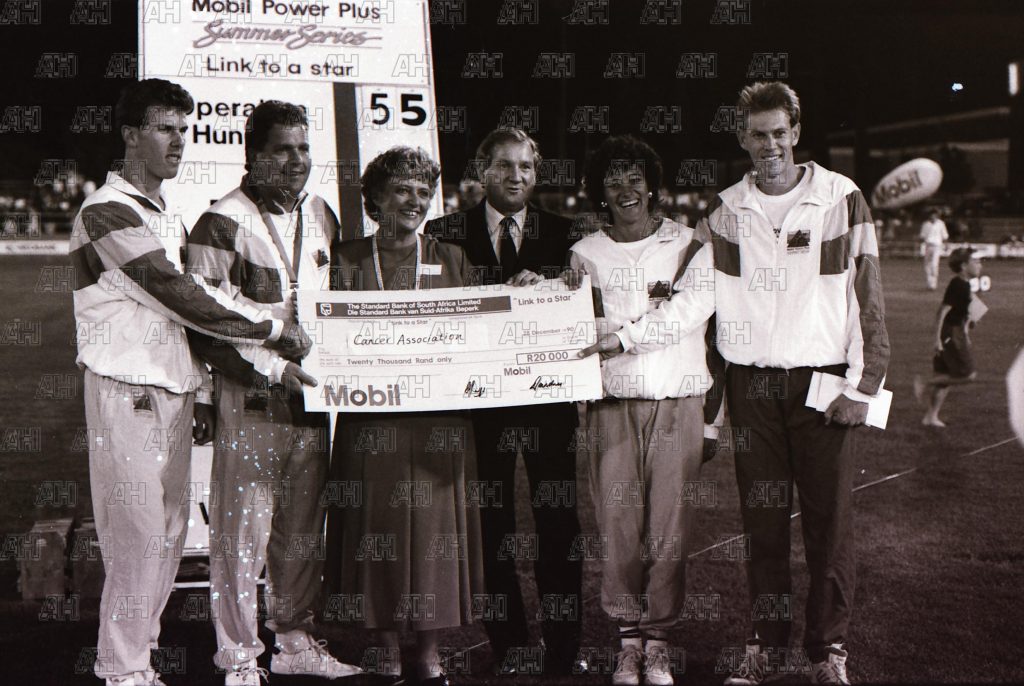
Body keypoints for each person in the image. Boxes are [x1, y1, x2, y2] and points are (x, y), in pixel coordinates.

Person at [580, 82, 890, 686]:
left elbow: (867, 295)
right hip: (753, 390)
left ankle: (828, 651)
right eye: (757, 134)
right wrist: (641, 348)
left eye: (779, 133)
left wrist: (863, 386)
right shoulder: (724, 211)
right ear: (742, 139)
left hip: (823, 384)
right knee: (763, 528)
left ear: (796, 133)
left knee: (829, 526)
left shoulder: (841, 197)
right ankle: (765, 646)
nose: (770, 145)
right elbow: (695, 307)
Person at [69, 79, 309, 686]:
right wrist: (271, 329)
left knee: (167, 540)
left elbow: (185, 316)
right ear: (130, 135)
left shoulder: (163, 211)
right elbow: (180, 295)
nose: (179, 141)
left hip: (170, 393)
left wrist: (207, 387)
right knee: (137, 539)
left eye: (184, 129)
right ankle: (123, 670)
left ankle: (138, 663)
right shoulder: (105, 210)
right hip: (125, 392)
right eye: (164, 129)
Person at [185, 101, 361, 685]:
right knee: (241, 534)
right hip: (253, 396)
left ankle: (293, 641)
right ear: (254, 155)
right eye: (283, 149)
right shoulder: (220, 221)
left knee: (302, 530)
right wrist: (267, 370)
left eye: (303, 148)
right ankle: (238, 656)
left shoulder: (322, 213)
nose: (296, 160)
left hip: (310, 399)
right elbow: (201, 322)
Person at [425, 128, 584, 677]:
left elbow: (583, 304)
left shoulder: (566, 234)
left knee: (558, 524)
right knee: (490, 527)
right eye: (505, 165)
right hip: (476, 405)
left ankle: (563, 647)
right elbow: (435, 309)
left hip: (548, 403)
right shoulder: (443, 232)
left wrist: (554, 288)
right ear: (482, 170)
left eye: (526, 167)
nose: (517, 176)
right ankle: (510, 643)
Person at [326, 146, 485, 686]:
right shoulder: (344, 259)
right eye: (401, 190)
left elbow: (484, 332)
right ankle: (387, 647)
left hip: (439, 422)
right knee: (377, 530)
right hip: (371, 420)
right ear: (375, 198)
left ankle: (430, 652)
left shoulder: (453, 258)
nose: (414, 201)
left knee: (435, 535)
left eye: (423, 192)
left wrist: (529, 295)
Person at [567, 135, 723, 686]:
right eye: (613, 181)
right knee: (618, 529)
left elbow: (693, 309)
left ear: (652, 185)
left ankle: (658, 643)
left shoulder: (689, 243)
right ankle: (628, 644)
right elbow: (580, 327)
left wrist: (625, 336)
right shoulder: (585, 253)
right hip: (611, 406)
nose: (625, 189)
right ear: (600, 192)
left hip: (677, 401)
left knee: (668, 530)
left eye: (635, 178)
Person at [913, 247, 985, 427]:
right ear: (964, 266)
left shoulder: (964, 284)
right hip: (951, 333)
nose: (980, 265)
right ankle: (925, 382)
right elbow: (942, 311)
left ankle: (931, 417)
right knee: (968, 374)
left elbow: (965, 312)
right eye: (975, 262)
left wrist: (968, 326)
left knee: (944, 377)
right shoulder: (958, 285)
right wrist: (937, 339)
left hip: (955, 331)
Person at [919, 208, 949, 290]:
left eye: (934, 215)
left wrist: (946, 245)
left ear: (937, 215)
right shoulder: (926, 224)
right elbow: (922, 236)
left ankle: (933, 283)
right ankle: (929, 283)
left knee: (934, 264)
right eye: (931, 215)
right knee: (927, 265)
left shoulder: (941, 224)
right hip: (928, 246)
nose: (933, 216)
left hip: (937, 246)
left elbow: (944, 235)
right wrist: (922, 245)